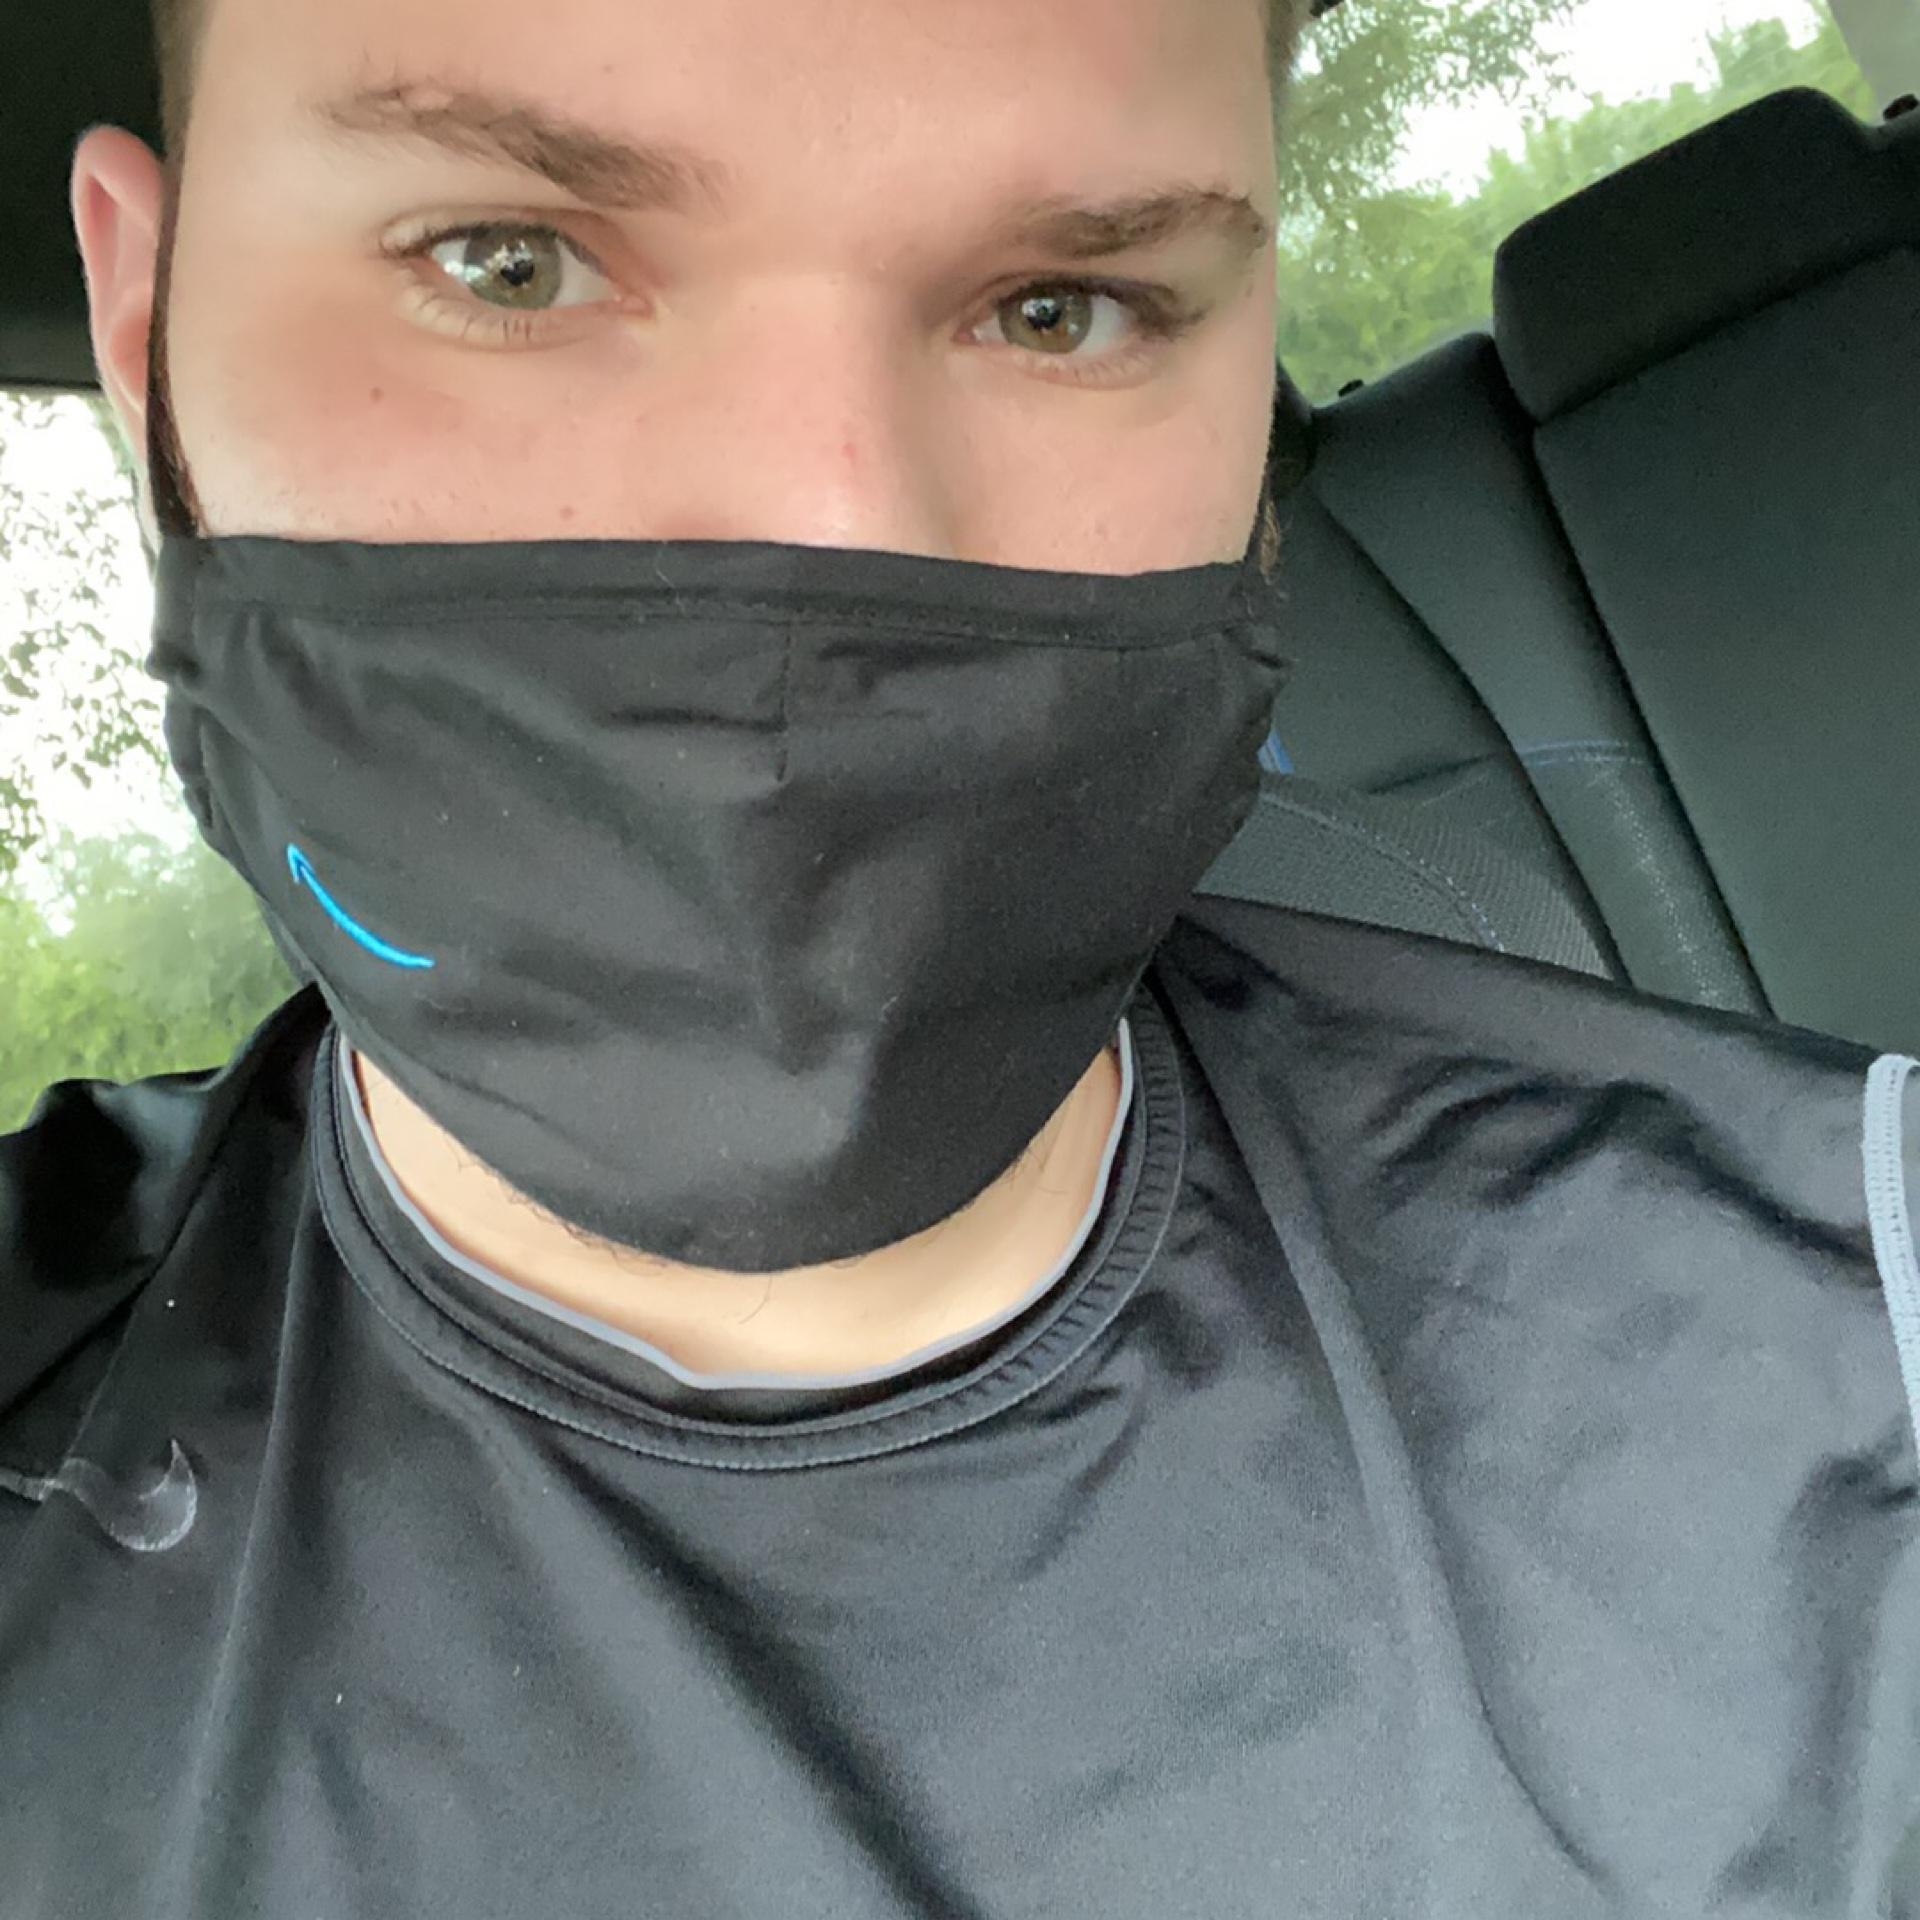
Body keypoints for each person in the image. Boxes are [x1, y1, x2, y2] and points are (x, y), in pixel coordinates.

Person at [2, 0, 1916, 1910]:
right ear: (147, 326)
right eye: (510, 262)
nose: (836, 526)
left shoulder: (1845, 1376)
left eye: (1062, 308)